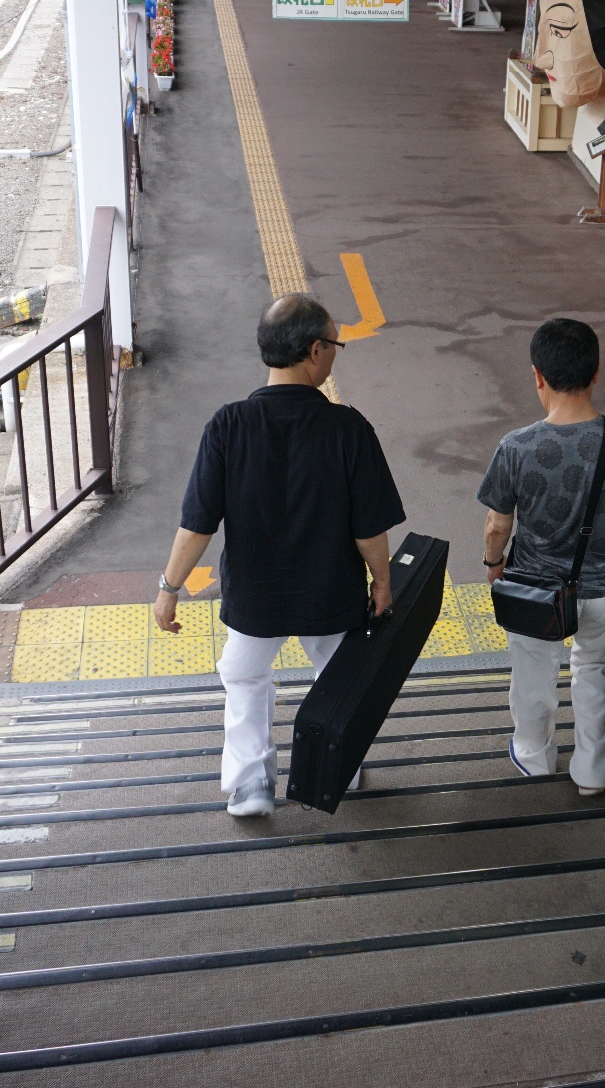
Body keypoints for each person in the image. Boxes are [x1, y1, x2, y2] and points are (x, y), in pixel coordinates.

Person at [154, 294, 406, 818]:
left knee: (245, 678)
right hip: (331, 592)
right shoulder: (348, 429)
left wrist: (169, 589)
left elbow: (197, 524)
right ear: (315, 350)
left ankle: (251, 786)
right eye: (335, 345)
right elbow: (369, 529)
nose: (336, 354)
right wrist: (382, 582)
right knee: (336, 680)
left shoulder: (228, 425)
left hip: (255, 594)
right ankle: (339, 767)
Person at [478, 318, 605, 796]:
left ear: (538, 375)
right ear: (597, 372)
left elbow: (497, 524)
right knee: (593, 671)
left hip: (534, 590)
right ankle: (590, 770)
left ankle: (534, 757)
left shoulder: (517, 446)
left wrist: (493, 564)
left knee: (533, 675)